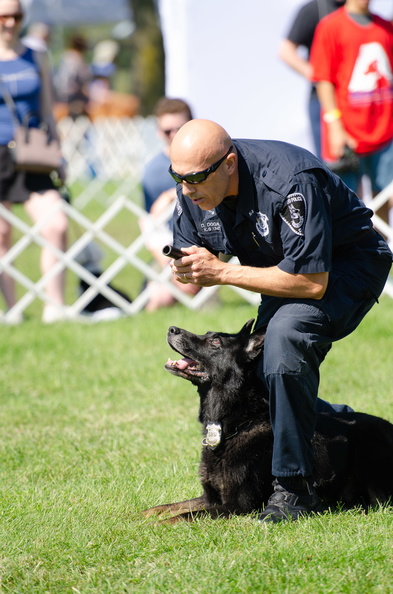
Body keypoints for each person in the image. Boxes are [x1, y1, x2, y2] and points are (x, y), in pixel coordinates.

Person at [166, 119, 392, 522]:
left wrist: (219, 273)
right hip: (285, 272)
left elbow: (309, 283)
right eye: (178, 177)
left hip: (346, 266)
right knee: (254, 366)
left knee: (283, 342)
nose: (186, 189)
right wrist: (187, 271)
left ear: (229, 163)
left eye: (196, 177)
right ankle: (336, 431)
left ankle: (293, 489)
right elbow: (188, 282)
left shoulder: (289, 180)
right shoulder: (194, 190)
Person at [0, 0, 68, 324]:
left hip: (32, 152)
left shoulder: (36, 54)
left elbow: (47, 107)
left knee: (56, 225)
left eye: (16, 16)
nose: (10, 22)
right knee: (0, 234)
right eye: (4, 16)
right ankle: (12, 310)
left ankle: (54, 306)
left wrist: (59, 152)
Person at [310, 0, 393, 222]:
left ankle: (382, 253)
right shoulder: (330, 26)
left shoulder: (385, 27)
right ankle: (355, 254)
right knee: (345, 201)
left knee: (385, 196)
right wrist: (335, 125)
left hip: (385, 131)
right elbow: (323, 80)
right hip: (347, 132)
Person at [140, 97, 199, 311]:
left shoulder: (209, 160)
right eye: (167, 131)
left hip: (208, 245)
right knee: (158, 299)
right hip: (170, 247)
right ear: (158, 132)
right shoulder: (153, 171)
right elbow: (148, 224)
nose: (174, 136)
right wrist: (170, 263)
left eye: (180, 129)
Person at [278, 0, 345, 158]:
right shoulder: (313, 9)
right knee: (335, 168)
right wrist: (322, 78)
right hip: (321, 102)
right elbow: (286, 51)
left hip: (356, 100)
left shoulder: (359, 10)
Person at [54, 34, 91, 119]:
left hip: (62, 95)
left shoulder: (65, 56)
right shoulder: (76, 59)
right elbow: (81, 79)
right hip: (72, 98)